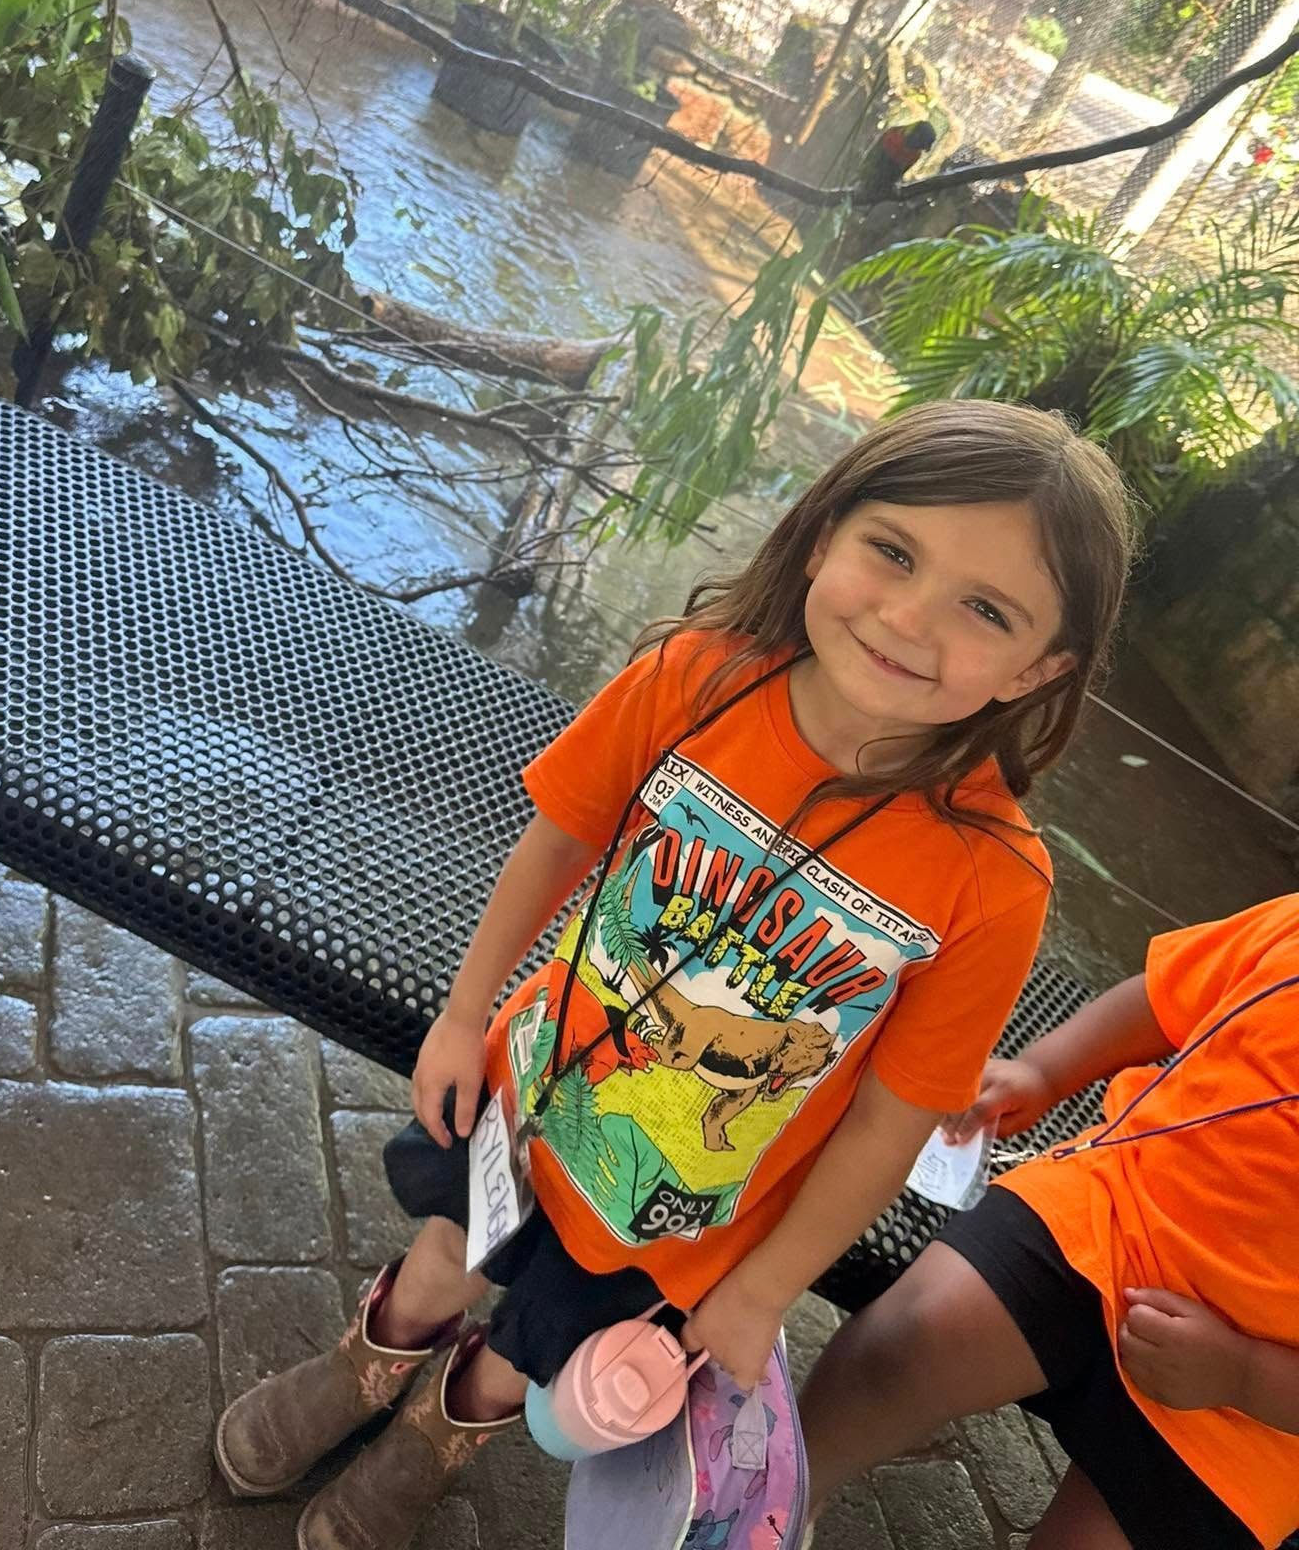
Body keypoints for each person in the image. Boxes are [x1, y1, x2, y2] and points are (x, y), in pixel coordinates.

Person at [216, 401, 1136, 1550]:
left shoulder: (993, 879)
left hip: (678, 1215)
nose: (908, 617)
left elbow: (895, 1117)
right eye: (892, 550)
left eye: (986, 608)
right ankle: (377, 1351)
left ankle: (445, 1430)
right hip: (525, 1093)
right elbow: (556, 837)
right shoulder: (693, 677)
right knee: (447, 1244)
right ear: (821, 534)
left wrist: (764, 1288)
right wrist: (463, 1015)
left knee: (536, 1341)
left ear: (1040, 668)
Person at [798, 895, 1299, 1550]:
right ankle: (773, 1492)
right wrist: (1045, 1071)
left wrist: (1242, 1373)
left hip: (1255, 1411)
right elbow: (1168, 992)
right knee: (906, 1342)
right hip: (1110, 1209)